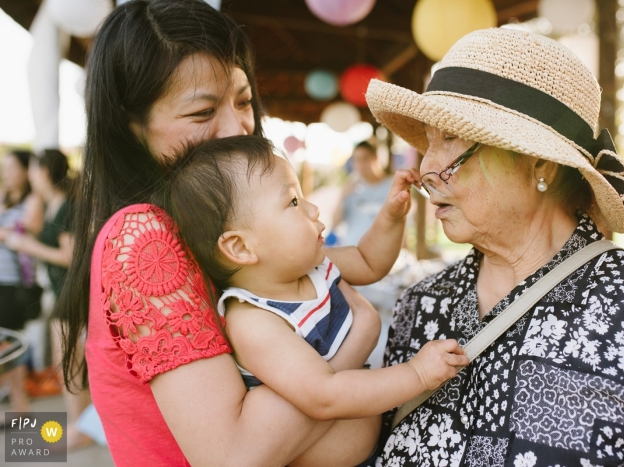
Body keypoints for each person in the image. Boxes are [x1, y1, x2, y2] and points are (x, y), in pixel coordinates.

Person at [57, 1, 393, 465]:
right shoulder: (145, 237)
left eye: (243, 101)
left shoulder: (210, 227)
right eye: (201, 113)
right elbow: (232, 454)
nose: (239, 130)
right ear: (130, 124)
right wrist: (357, 336)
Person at [365, 28, 624, 466]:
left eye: (450, 138)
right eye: (428, 141)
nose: (427, 167)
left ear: (538, 163)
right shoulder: (422, 306)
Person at [159, 135, 469, 465]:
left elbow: (369, 260)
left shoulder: (316, 265)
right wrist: (417, 375)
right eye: (293, 202)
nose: (313, 208)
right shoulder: (254, 320)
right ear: (240, 248)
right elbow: (325, 395)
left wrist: (391, 218)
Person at [2, 149, 92, 449]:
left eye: (32, 170)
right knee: (69, 364)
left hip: (71, 292)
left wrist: (27, 245)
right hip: (61, 292)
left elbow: (70, 256)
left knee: (68, 364)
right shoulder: (54, 205)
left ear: (42, 173)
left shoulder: (66, 207)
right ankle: (84, 424)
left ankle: (82, 429)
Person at [0, 149, 43, 415]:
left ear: (26, 170)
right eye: (4, 167)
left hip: (14, 283)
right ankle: (17, 405)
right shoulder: (5, 198)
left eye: (12, 167)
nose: (6, 173)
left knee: (9, 345)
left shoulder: (33, 200)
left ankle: (20, 408)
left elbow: (30, 228)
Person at [333, 141, 394, 247]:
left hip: (382, 252)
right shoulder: (350, 188)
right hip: (353, 251)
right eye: (356, 160)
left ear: (375, 158)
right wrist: (343, 196)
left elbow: (402, 223)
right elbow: (335, 223)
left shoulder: (392, 186)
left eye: (365, 159)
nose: (360, 165)